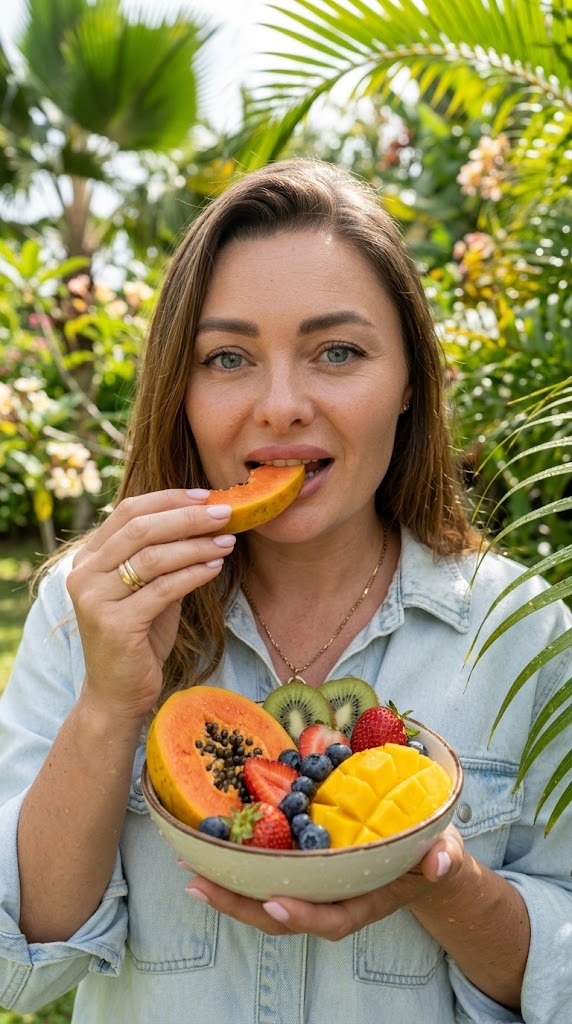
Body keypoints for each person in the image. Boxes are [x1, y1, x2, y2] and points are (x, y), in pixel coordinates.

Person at [0, 158, 570, 1024]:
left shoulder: (523, 634)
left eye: (336, 351)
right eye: (227, 357)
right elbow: (20, 966)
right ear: (180, 391)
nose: (279, 406)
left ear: (411, 379)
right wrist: (110, 707)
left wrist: (441, 883)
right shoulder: (90, 606)